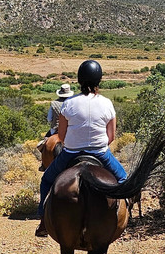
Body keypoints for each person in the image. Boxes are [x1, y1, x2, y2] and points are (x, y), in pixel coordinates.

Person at [35, 60, 126, 237]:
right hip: (100, 153)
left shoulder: (69, 103)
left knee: (46, 180)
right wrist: (96, 145)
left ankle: (43, 221)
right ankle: (121, 220)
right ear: (99, 80)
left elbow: (60, 136)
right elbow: (112, 136)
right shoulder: (107, 103)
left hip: (71, 153)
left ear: (79, 80)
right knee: (123, 179)